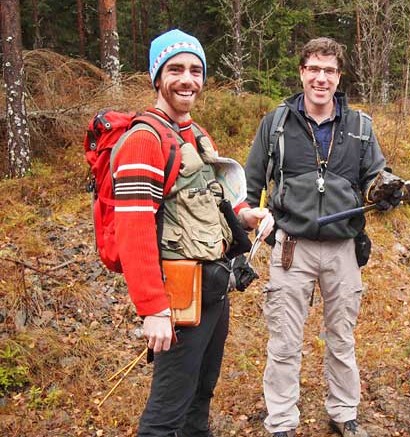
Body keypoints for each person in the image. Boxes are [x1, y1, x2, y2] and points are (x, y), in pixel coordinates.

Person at [112, 29, 272, 436]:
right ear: (157, 77)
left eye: (195, 70)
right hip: (179, 298)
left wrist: (245, 214)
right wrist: (153, 309)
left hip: (213, 289)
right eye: (176, 69)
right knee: (166, 413)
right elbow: (133, 232)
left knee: (200, 396)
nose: (187, 79)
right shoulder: (143, 142)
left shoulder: (193, 132)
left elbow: (214, 193)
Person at [240, 37, 399, 437]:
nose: (320, 78)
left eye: (329, 70)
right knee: (284, 342)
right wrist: (246, 213)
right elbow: (250, 182)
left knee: (341, 339)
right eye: (313, 68)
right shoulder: (275, 123)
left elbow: (375, 178)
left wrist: (386, 190)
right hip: (290, 246)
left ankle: (344, 413)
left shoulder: (361, 126)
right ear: (301, 72)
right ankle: (281, 422)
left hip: (343, 249)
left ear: (339, 76)